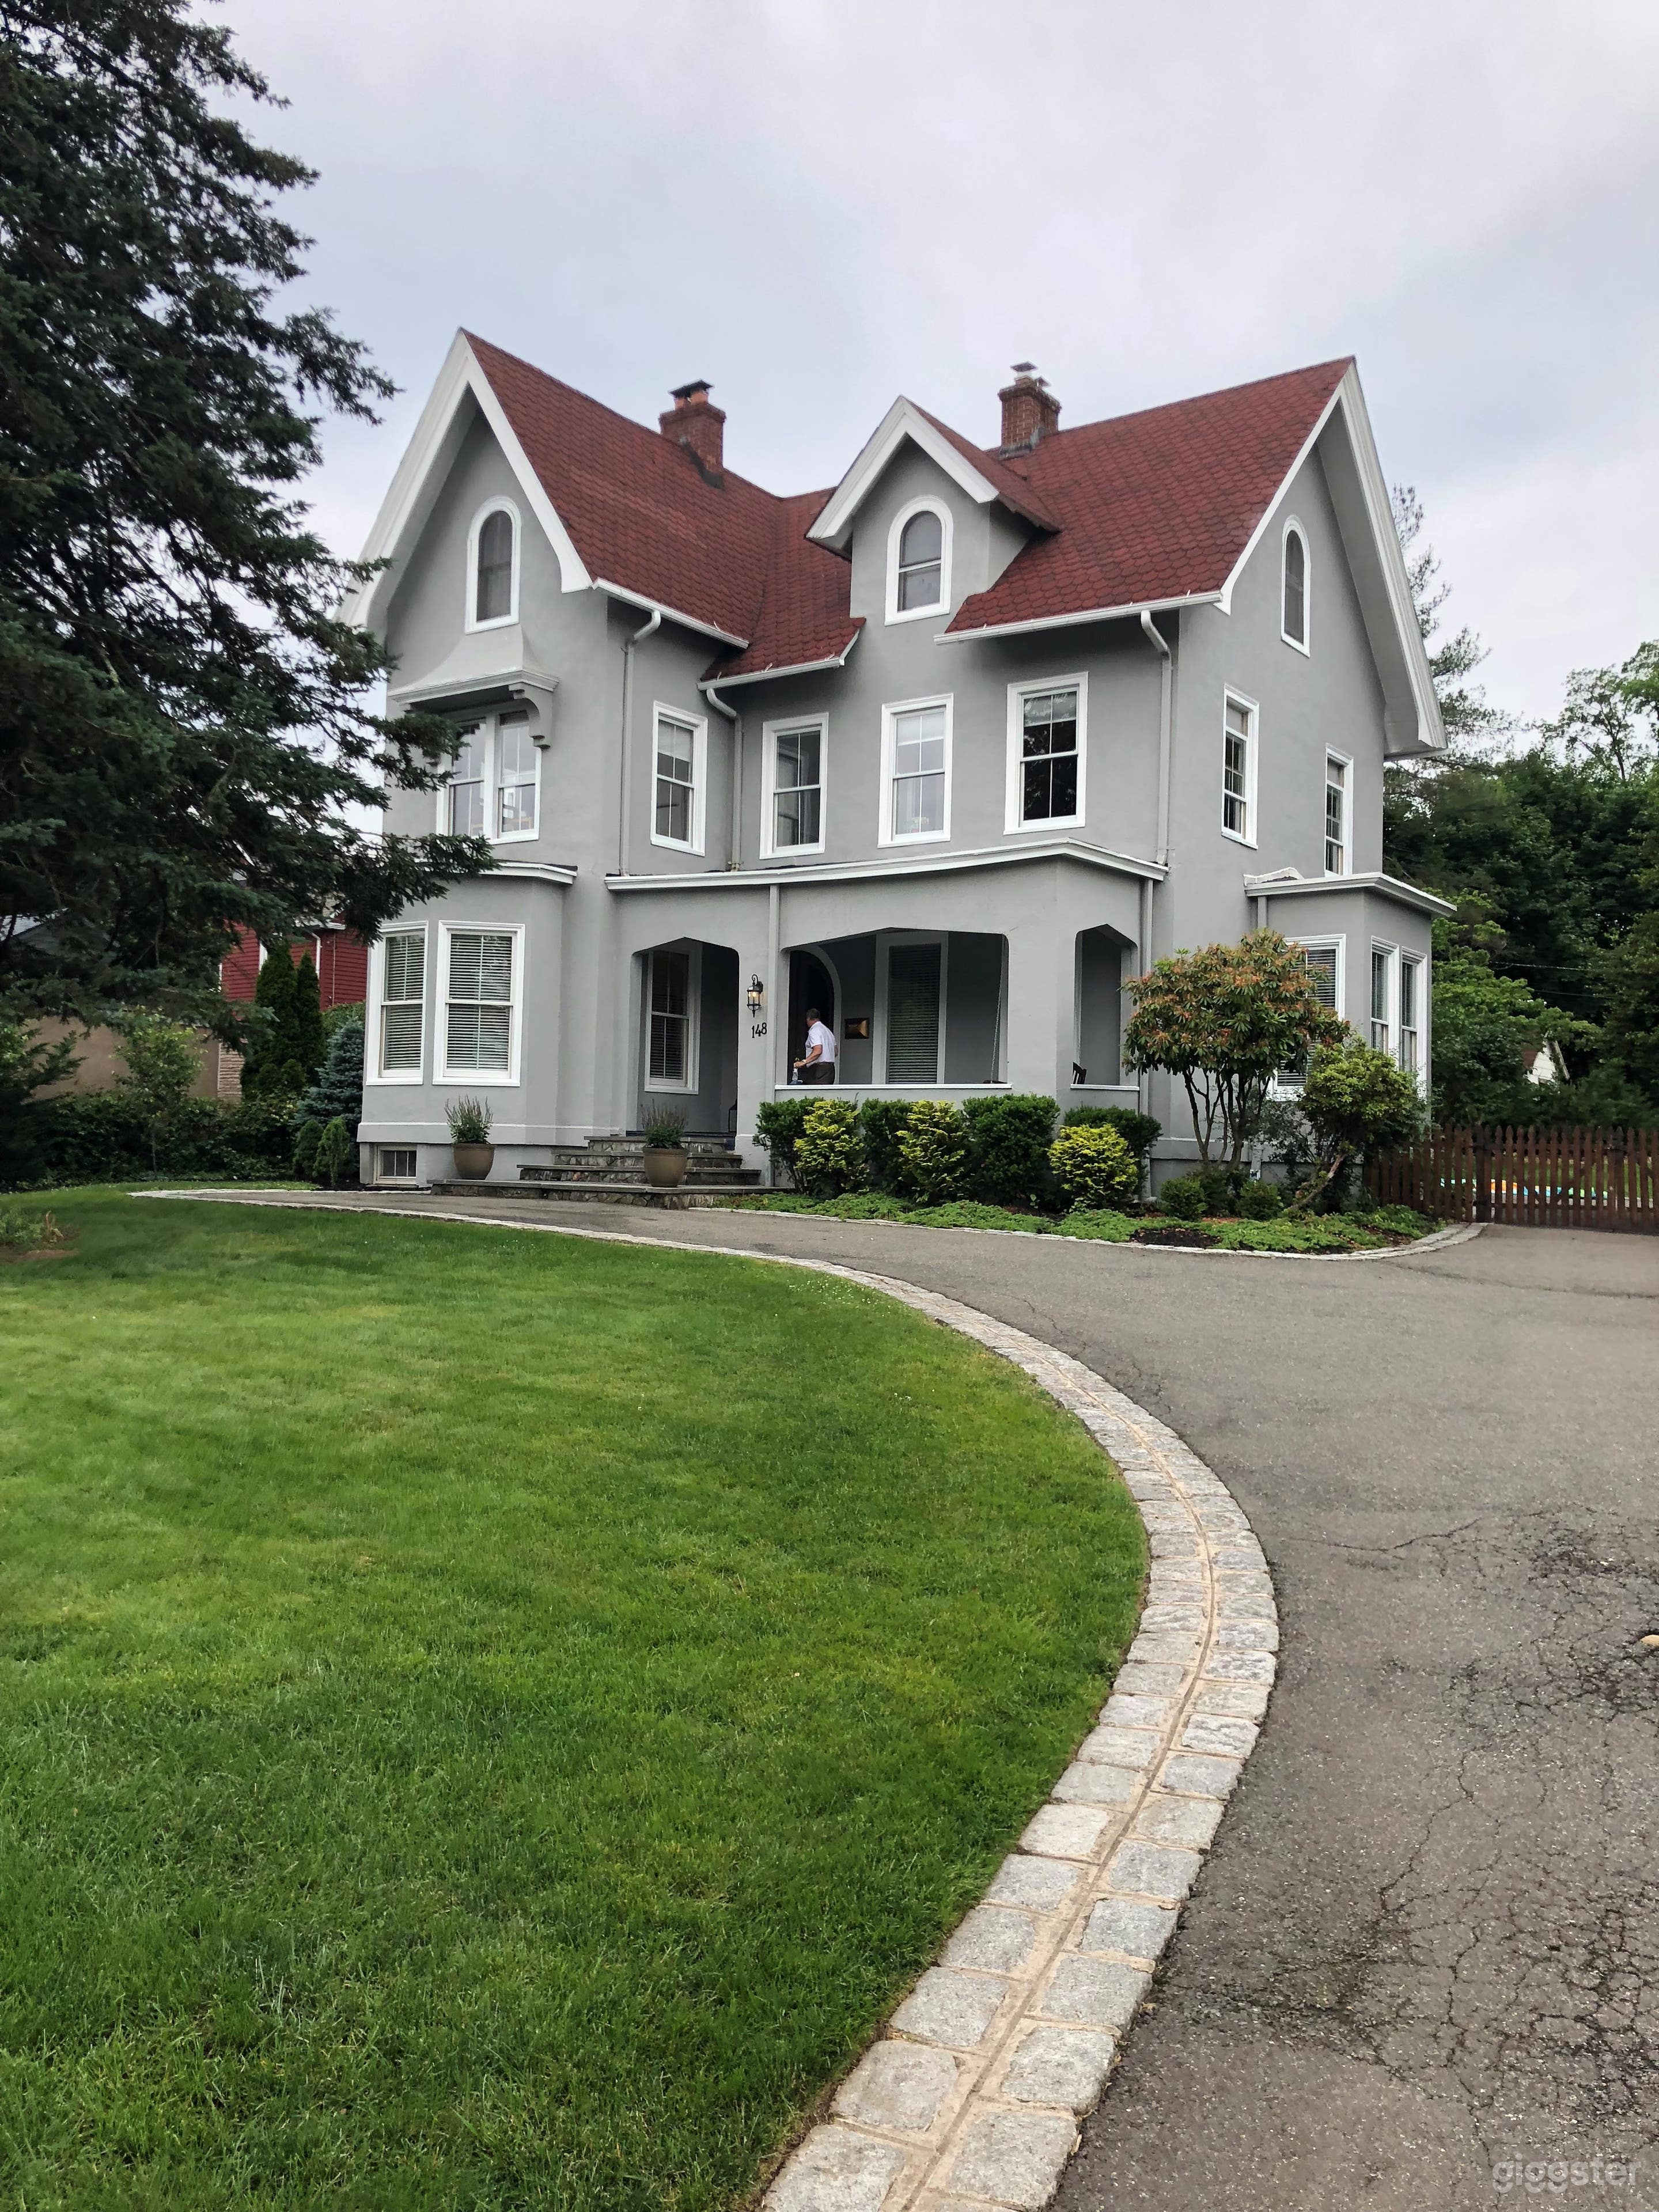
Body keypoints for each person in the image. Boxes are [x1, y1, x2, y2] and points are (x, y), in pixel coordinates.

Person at [793, 1006, 837, 1084]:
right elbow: (836, 1052)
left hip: (819, 1069)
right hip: (830, 1070)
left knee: (816, 1094)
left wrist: (804, 1062)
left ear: (808, 1019)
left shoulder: (815, 1030)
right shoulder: (828, 1031)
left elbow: (818, 1050)